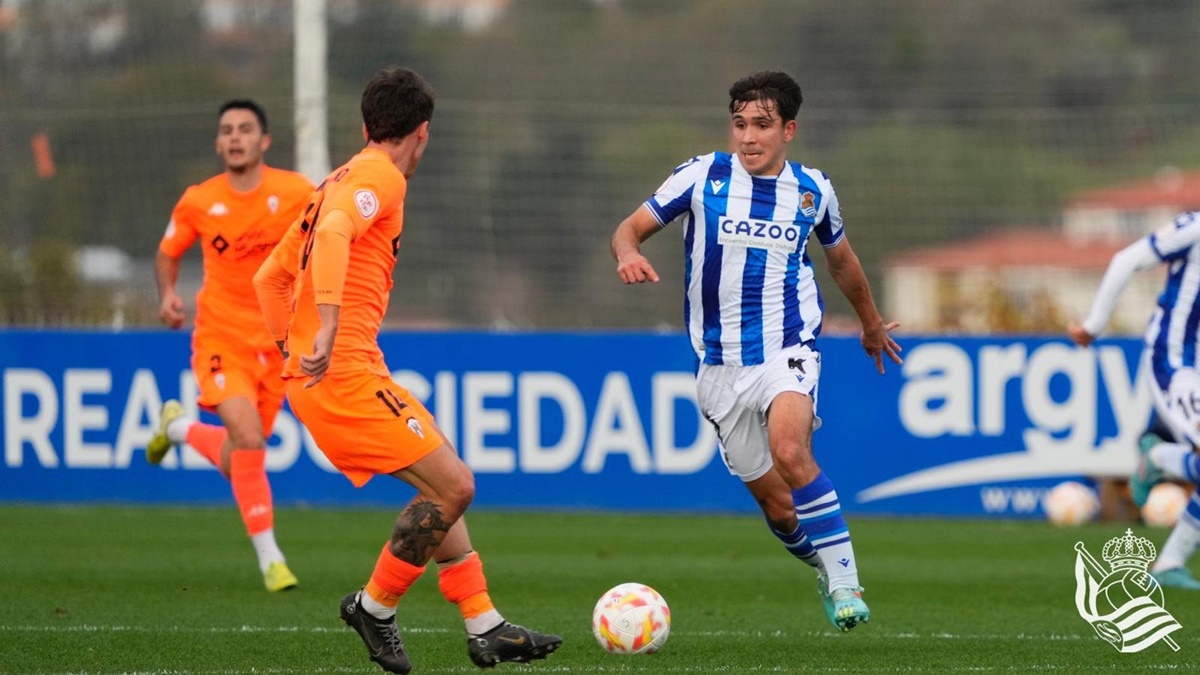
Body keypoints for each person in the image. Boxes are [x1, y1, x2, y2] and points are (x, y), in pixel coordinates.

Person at [252, 67, 561, 674]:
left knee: (440, 476)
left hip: (343, 369)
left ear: (368, 124)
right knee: (455, 486)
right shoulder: (379, 178)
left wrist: (293, 347)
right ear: (421, 133)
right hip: (343, 372)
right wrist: (328, 330)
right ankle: (374, 606)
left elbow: (270, 277)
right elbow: (340, 232)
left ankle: (484, 624)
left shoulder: (332, 181)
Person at [609, 70, 902, 632]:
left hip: (787, 348)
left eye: (762, 126)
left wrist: (869, 324)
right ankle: (823, 566)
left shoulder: (812, 190)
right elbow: (629, 229)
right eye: (740, 124)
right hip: (718, 365)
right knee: (780, 507)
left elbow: (841, 259)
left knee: (791, 452)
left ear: (788, 130)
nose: (747, 137)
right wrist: (626, 254)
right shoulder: (701, 177)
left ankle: (846, 583)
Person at [148, 99, 313, 592]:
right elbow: (167, 250)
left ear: (264, 141)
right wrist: (169, 294)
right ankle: (271, 560)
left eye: (245, 129)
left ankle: (177, 429)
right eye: (227, 130)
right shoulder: (200, 200)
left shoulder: (296, 192)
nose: (235, 137)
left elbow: (324, 239)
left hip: (276, 344)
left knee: (243, 452)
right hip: (220, 336)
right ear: (219, 143)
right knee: (247, 437)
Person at [1068, 209, 1200, 590]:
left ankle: (1159, 462)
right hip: (1175, 360)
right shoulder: (1193, 228)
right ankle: (1157, 460)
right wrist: (1094, 325)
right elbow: (1126, 259)